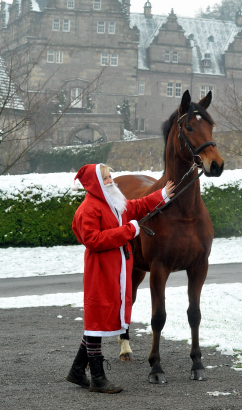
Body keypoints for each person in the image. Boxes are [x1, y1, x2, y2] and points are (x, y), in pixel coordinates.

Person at [66, 163, 174, 393]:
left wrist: (162, 194)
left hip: (116, 269)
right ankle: (97, 378)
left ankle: (77, 370)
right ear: (95, 184)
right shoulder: (88, 209)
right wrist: (129, 231)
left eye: (110, 176)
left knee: (103, 317)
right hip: (100, 271)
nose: (111, 181)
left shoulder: (112, 202)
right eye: (105, 178)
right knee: (96, 321)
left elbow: (136, 206)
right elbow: (93, 240)